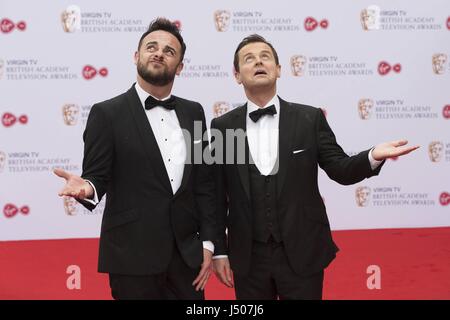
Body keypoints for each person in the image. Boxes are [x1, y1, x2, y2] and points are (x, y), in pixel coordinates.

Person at [211, 34, 419, 300]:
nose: (258, 62)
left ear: (279, 69)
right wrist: (219, 250)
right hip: (248, 258)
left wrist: (372, 156)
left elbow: (340, 169)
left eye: (265, 56)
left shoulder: (309, 118)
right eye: (249, 59)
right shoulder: (222, 127)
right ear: (237, 75)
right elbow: (216, 196)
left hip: (302, 250)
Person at [54, 18, 216, 300]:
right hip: (132, 257)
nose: (158, 53)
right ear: (136, 56)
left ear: (179, 66)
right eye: (151, 47)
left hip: (186, 259)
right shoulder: (107, 114)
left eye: (169, 50)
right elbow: (97, 176)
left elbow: (205, 185)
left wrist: (210, 243)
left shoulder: (194, 112)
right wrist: (87, 188)